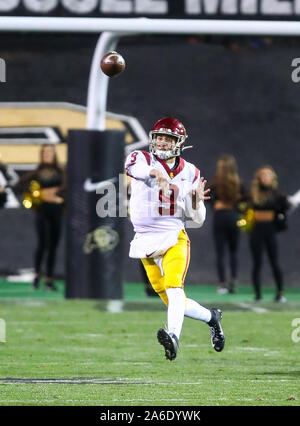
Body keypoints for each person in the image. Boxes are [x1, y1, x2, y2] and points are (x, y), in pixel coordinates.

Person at [125, 117, 225, 361]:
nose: (162, 141)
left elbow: (198, 219)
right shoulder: (142, 158)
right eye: (159, 137)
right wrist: (155, 172)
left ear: (179, 143)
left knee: (174, 287)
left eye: (168, 138)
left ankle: (173, 337)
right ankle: (213, 318)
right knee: (172, 301)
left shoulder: (191, 172)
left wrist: (195, 201)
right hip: (145, 239)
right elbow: (133, 169)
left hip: (173, 236)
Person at [15, 144, 65, 291]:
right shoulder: (36, 173)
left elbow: (67, 189)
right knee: (43, 244)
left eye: (50, 152)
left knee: (53, 246)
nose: (47, 154)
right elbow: (19, 186)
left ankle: (49, 279)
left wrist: (58, 197)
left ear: (54, 154)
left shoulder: (61, 172)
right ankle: (37, 276)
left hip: (56, 211)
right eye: (45, 152)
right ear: (42, 154)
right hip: (42, 210)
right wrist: (36, 195)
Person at [248, 165, 290, 302]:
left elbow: (285, 207)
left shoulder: (277, 195)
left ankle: (280, 292)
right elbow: (242, 204)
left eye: (268, 175)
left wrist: (280, 215)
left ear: (272, 178)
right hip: (256, 230)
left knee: (274, 261)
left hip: (270, 230)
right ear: (259, 178)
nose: (266, 178)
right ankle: (258, 294)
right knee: (257, 263)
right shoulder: (253, 194)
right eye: (263, 175)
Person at [209, 154, 245, 294]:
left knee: (220, 253)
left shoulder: (215, 182)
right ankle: (234, 280)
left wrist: (216, 205)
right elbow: (244, 200)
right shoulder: (238, 182)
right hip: (234, 217)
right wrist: (236, 206)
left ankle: (222, 284)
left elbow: (208, 197)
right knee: (233, 251)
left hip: (220, 216)